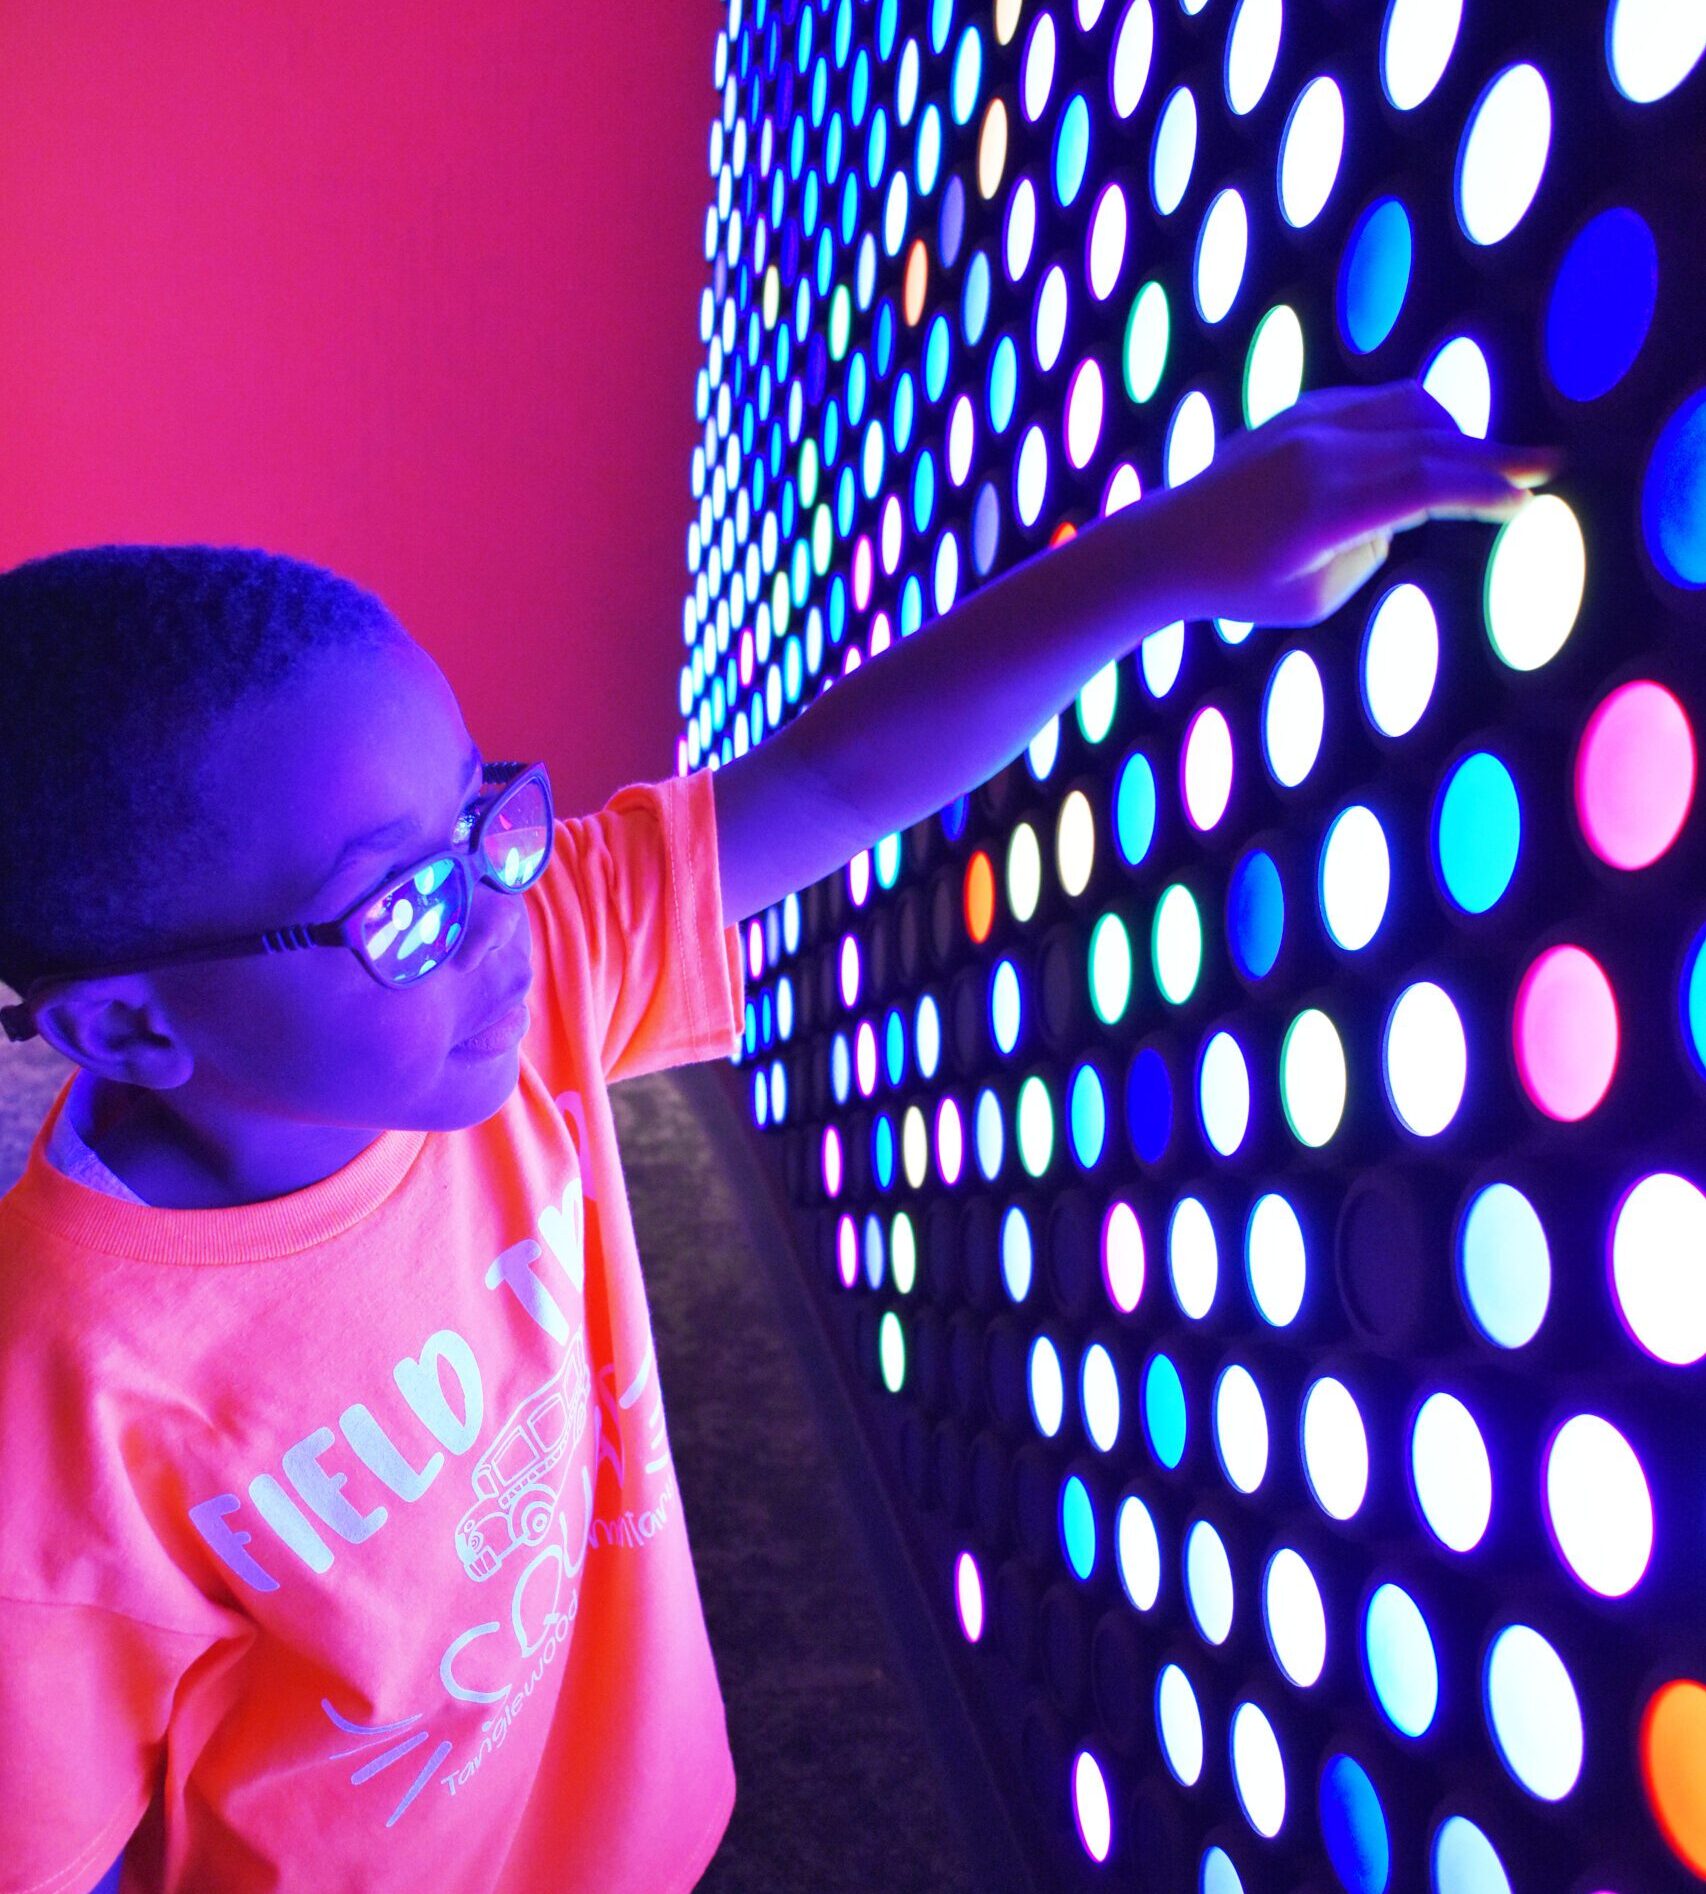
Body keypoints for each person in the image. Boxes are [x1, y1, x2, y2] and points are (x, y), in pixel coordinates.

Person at [0, 379, 1560, 1893]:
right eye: (404, 903)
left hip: (627, 1825)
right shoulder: (58, 1407)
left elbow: (827, 774)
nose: (497, 923)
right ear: (132, 1028)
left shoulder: (519, 994)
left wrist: (1166, 556)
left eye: (482, 817)